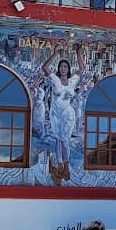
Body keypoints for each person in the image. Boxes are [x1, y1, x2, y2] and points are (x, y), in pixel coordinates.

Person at [41, 52, 82, 186]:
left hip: (67, 114)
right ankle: (60, 165)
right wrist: (55, 53)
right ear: (58, 68)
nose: (63, 68)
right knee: (58, 139)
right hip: (55, 114)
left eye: (65, 66)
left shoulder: (72, 81)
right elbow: (45, 67)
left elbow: (82, 69)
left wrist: (78, 53)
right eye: (61, 66)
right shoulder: (55, 79)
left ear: (68, 69)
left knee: (65, 140)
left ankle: (66, 165)